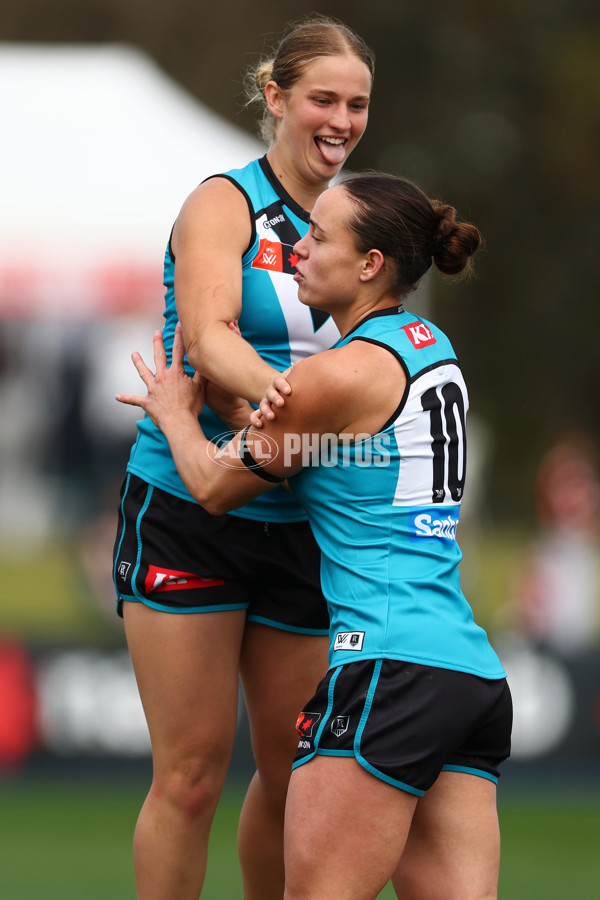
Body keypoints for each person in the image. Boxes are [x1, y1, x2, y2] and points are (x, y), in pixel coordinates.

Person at [117, 172, 513, 900]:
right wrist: (259, 419)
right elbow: (330, 451)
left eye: (320, 237)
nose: (298, 249)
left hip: (388, 670)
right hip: (469, 676)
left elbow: (209, 485)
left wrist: (175, 412)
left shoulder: (332, 376)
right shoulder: (427, 346)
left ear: (371, 266)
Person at [111, 15, 374, 900]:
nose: (340, 120)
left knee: (297, 772)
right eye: (323, 100)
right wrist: (284, 403)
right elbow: (209, 338)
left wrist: (283, 423)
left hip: (307, 517)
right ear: (276, 99)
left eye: (358, 104)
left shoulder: (360, 220)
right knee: (189, 777)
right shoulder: (223, 201)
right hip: (190, 510)